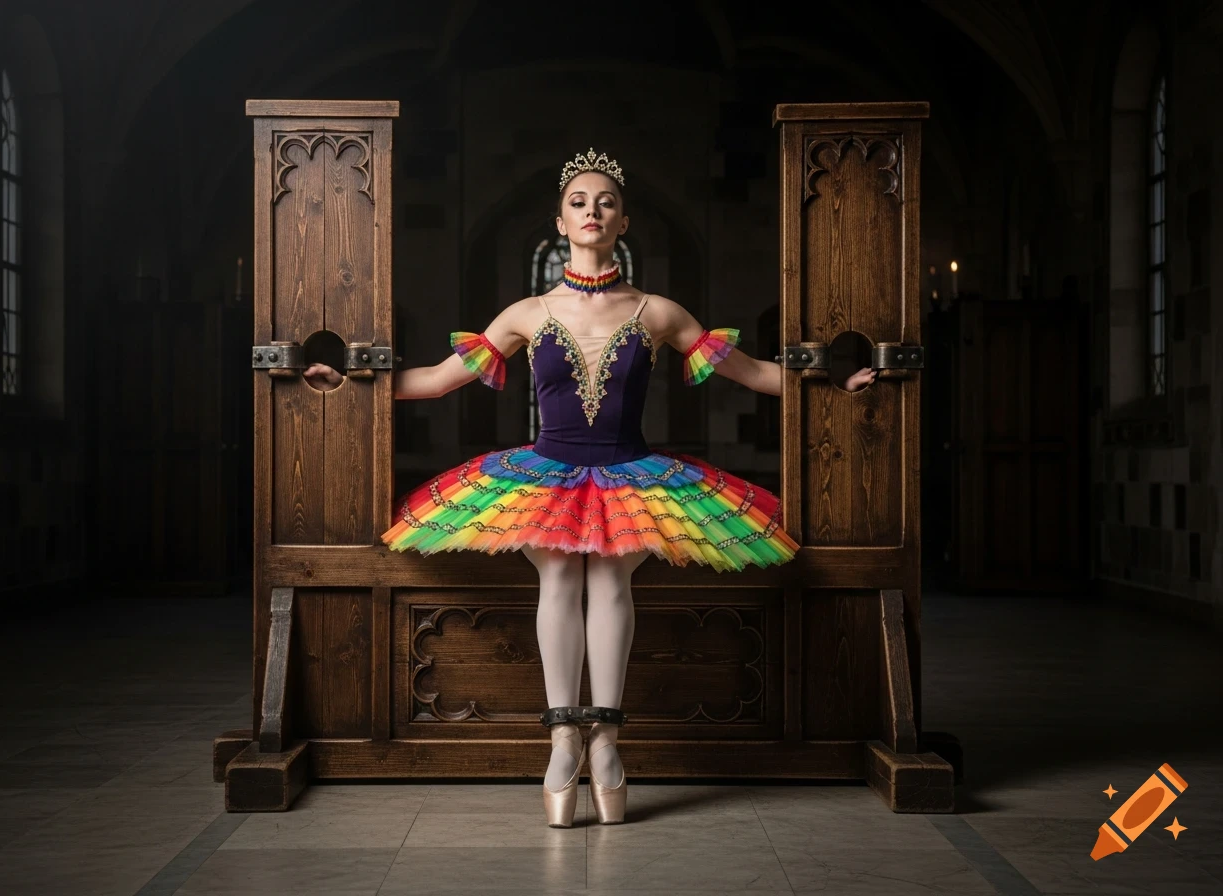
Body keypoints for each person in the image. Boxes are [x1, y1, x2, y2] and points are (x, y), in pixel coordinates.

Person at [303, 148, 877, 829]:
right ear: (560, 219)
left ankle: (607, 742)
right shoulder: (526, 311)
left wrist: (838, 386)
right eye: (579, 201)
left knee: (609, 585)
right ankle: (561, 740)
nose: (592, 211)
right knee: (559, 586)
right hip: (544, 473)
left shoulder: (658, 311)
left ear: (623, 221)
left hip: (631, 474)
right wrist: (347, 385)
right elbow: (435, 378)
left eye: (604, 201)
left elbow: (753, 374)